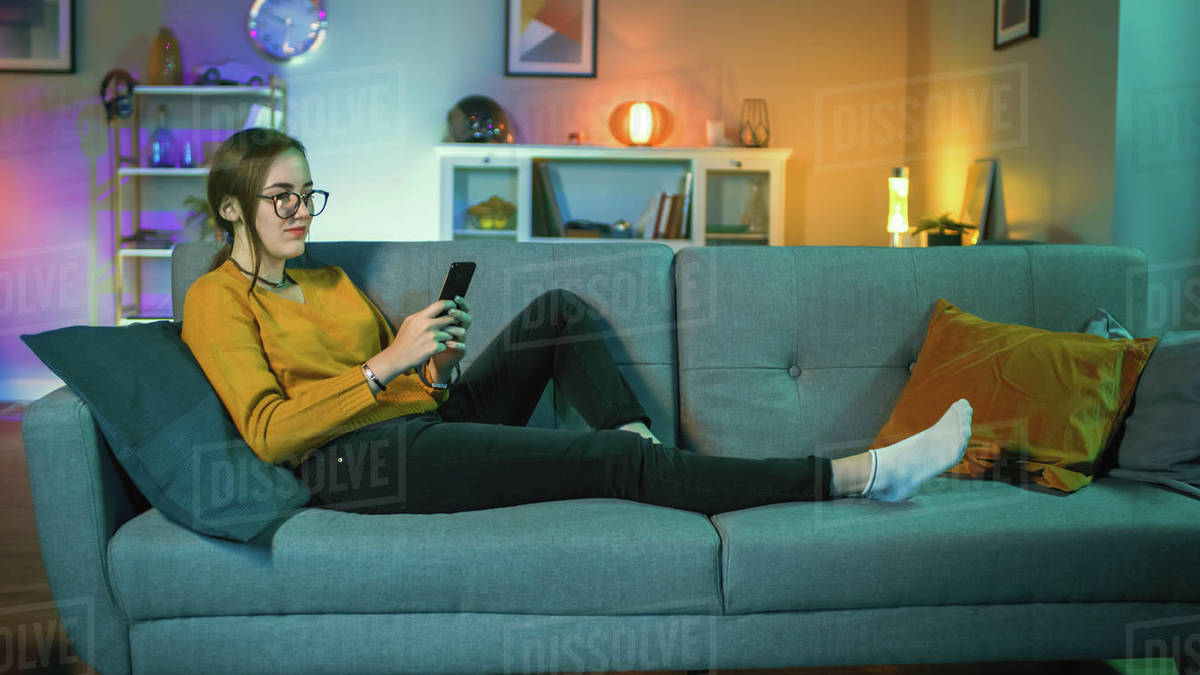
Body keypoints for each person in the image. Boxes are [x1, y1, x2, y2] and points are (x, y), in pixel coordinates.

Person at [181, 128, 973, 517]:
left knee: (558, 312)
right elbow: (271, 432)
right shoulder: (217, 297)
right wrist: (384, 366)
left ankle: (644, 450)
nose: (299, 211)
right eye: (281, 195)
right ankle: (860, 473)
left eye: (306, 193)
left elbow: (410, 384)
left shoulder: (327, 279)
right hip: (352, 465)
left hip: (417, 417)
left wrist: (434, 362)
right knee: (597, 462)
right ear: (231, 207)